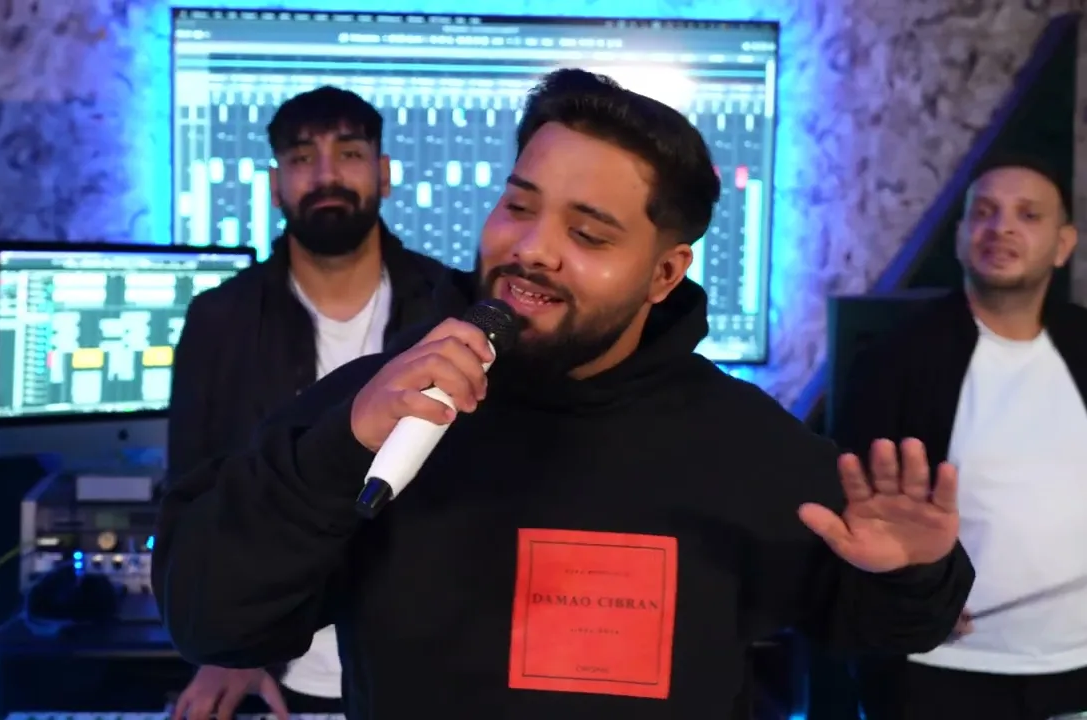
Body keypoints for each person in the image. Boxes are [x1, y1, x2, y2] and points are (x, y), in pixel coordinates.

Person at [155, 68, 974, 720]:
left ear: (664, 273)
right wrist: (341, 448)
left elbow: (880, 626)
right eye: (518, 205)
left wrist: (915, 575)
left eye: (587, 233)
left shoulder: (744, 441)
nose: (532, 248)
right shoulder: (380, 405)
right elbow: (210, 619)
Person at [163, 85, 447, 720]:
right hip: (276, 671)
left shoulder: (447, 309)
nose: (325, 176)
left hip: (420, 666)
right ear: (275, 186)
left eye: (349, 154)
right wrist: (227, 647)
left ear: (384, 174)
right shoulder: (219, 321)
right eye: (300, 158)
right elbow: (192, 507)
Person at [835, 157, 1087, 720]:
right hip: (940, 669)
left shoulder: (1081, 345)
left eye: (1028, 215)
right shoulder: (894, 359)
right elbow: (853, 515)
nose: (1001, 228)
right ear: (960, 236)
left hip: (1076, 669)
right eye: (985, 213)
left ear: (1063, 244)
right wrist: (914, 605)